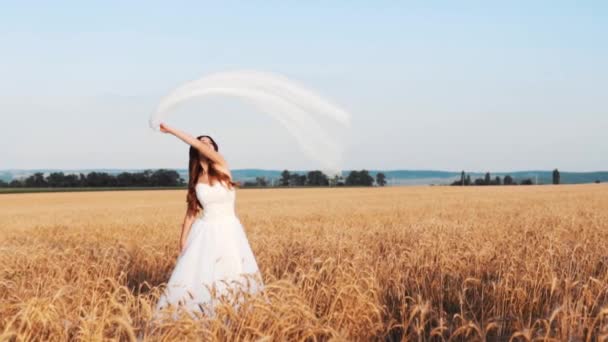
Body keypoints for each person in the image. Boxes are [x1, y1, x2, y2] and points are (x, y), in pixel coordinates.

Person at [153, 122, 264, 320]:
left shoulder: (221, 164)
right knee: (200, 278)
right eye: (202, 142)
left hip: (229, 230)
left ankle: (235, 319)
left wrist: (171, 130)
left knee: (231, 275)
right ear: (195, 151)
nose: (206, 145)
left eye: (209, 142)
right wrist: (183, 240)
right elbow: (191, 213)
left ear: (214, 148)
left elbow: (200, 146)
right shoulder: (196, 180)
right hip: (204, 232)